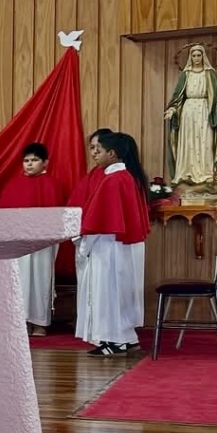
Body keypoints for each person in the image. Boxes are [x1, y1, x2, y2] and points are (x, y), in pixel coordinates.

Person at [75, 131, 150, 357]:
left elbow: (98, 222)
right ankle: (127, 338)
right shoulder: (127, 177)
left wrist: (83, 244)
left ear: (112, 153)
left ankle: (115, 340)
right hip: (122, 244)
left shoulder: (114, 179)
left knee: (109, 293)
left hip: (109, 246)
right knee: (121, 293)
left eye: (99, 150)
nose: (95, 154)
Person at [0, 143, 64, 336]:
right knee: (19, 281)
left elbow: (57, 216)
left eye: (34, 160)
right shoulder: (13, 185)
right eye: (26, 160)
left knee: (41, 280)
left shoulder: (52, 184)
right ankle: (22, 321)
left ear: (45, 163)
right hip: (19, 243)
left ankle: (40, 322)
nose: (30, 164)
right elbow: (3, 216)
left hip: (43, 243)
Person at [164, 44, 217, 190]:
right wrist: (172, 109)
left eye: (199, 55)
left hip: (205, 110)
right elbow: (178, 96)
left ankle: (206, 174)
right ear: (190, 57)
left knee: (205, 141)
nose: (196, 58)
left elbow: (216, 95)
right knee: (188, 142)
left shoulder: (210, 74)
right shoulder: (186, 74)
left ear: (203, 56)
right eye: (193, 56)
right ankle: (186, 173)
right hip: (188, 112)